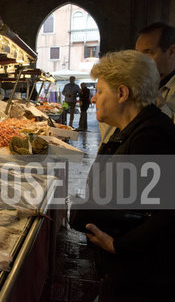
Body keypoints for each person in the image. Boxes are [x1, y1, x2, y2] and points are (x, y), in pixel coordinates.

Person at [70, 50, 175, 301]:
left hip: (141, 278)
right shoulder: (131, 129)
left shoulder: (151, 136)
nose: (94, 98)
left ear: (122, 93)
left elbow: (168, 213)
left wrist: (118, 246)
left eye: (100, 91)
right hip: (128, 271)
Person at [100, 22, 175, 144]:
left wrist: (159, 106)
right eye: (137, 53)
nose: (139, 60)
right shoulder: (131, 84)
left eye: (147, 52)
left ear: (171, 52)